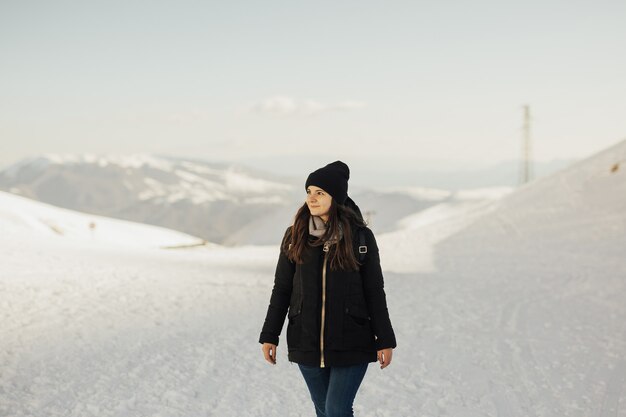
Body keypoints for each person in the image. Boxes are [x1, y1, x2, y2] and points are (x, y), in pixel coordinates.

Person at [259, 161, 397, 417]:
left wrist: (385, 339)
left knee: (336, 410)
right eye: (309, 191)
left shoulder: (360, 238)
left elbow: (374, 290)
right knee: (324, 411)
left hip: (351, 340)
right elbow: (282, 289)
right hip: (306, 341)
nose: (312, 198)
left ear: (336, 196)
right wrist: (270, 334)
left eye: (320, 192)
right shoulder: (295, 236)